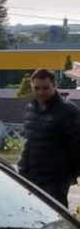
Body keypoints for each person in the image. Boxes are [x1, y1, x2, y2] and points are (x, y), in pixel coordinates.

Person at [18, 68, 80, 207]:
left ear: (54, 86)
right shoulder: (31, 109)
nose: (40, 92)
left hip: (55, 182)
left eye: (45, 88)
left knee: (53, 222)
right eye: (37, 88)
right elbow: (29, 142)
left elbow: (78, 147)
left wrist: (67, 175)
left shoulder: (68, 111)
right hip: (28, 178)